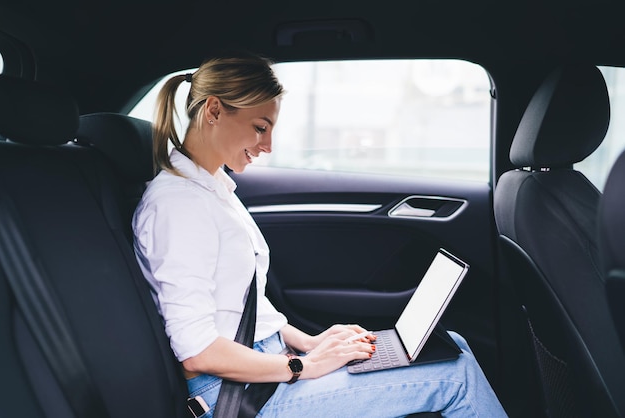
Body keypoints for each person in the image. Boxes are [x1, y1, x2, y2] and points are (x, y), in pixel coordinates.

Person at [132, 52, 508, 417]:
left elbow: (241, 307)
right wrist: (304, 367)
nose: (268, 146)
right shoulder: (178, 205)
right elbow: (197, 353)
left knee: (450, 346)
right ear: (214, 111)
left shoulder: (213, 189)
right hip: (236, 395)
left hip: (265, 367)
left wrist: (311, 343)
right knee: (457, 378)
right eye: (260, 127)